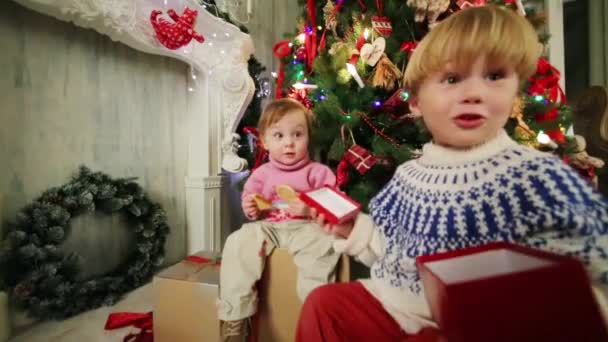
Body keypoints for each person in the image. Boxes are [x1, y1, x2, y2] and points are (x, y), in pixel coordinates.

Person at [295, 5, 608, 341]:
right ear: (415, 102)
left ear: (515, 90)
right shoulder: (407, 178)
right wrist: (353, 229)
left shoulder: (539, 178)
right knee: (326, 303)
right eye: (452, 79)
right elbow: (390, 247)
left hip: (484, 327)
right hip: (399, 310)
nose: (474, 94)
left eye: (495, 76)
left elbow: (595, 269)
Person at [218, 98, 340, 342]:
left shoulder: (319, 173)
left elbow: (334, 207)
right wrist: (252, 207)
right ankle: (236, 319)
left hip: (307, 228)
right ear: (264, 140)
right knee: (239, 240)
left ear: (308, 137)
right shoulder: (261, 174)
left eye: (297, 134)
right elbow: (251, 206)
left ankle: (316, 317)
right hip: (271, 226)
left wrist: (311, 208)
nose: (289, 144)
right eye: (279, 136)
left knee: (323, 244)